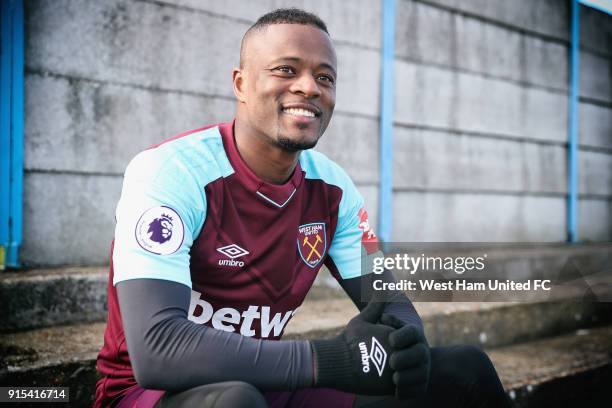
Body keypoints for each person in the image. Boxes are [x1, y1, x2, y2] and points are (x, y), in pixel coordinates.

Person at [95, 8, 510, 408]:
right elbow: (158, 349)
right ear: (240, 84)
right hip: (151, 394)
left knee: (464, 370)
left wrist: (406, 346)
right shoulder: (171, 171)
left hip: (266, 381)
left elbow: (390, 303)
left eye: (324, 77)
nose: (309, 87)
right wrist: (331, 360)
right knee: (235, 401)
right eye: (286, 70)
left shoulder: (332, 188)